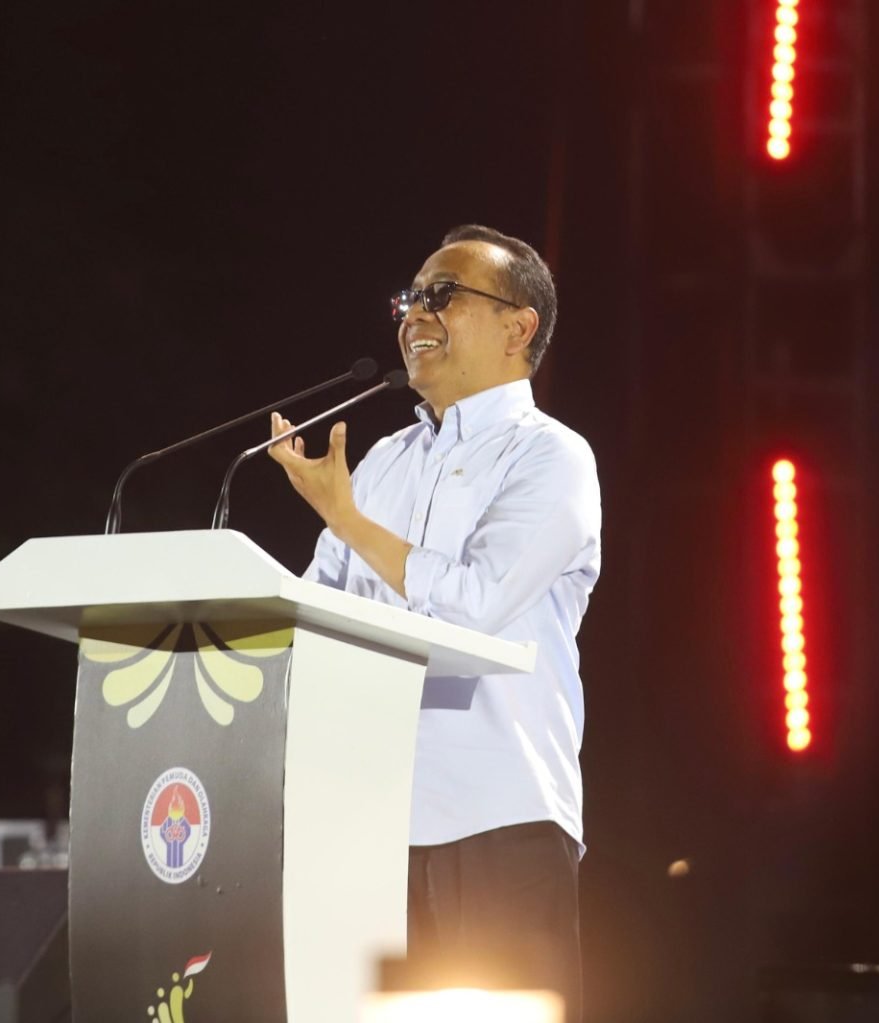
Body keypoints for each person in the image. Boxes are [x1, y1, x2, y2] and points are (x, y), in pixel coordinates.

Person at [268, 224, 601, 1020]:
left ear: (519, 327)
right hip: (365, 822)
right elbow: (314, 613)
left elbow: (476, 605)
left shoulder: (551, 457)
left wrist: (350, 520)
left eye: (442, 295)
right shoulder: (384, 460)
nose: (414, 314)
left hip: (500, 813)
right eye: (410, 299)